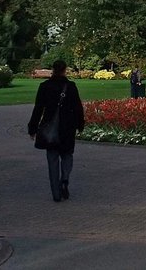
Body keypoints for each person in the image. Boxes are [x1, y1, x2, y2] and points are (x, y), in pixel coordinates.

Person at [27, 60, 85, 202]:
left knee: (52, 159)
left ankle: (56, 193)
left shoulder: (45, 87)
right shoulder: (71, 87)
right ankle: (64, 178)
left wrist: (32, 128)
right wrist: (80, 124)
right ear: (65, 70)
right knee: (67, 155)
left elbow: (38, 109)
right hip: (67, 128)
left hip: (50, 128)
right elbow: (78, 107)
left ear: (53, 70)